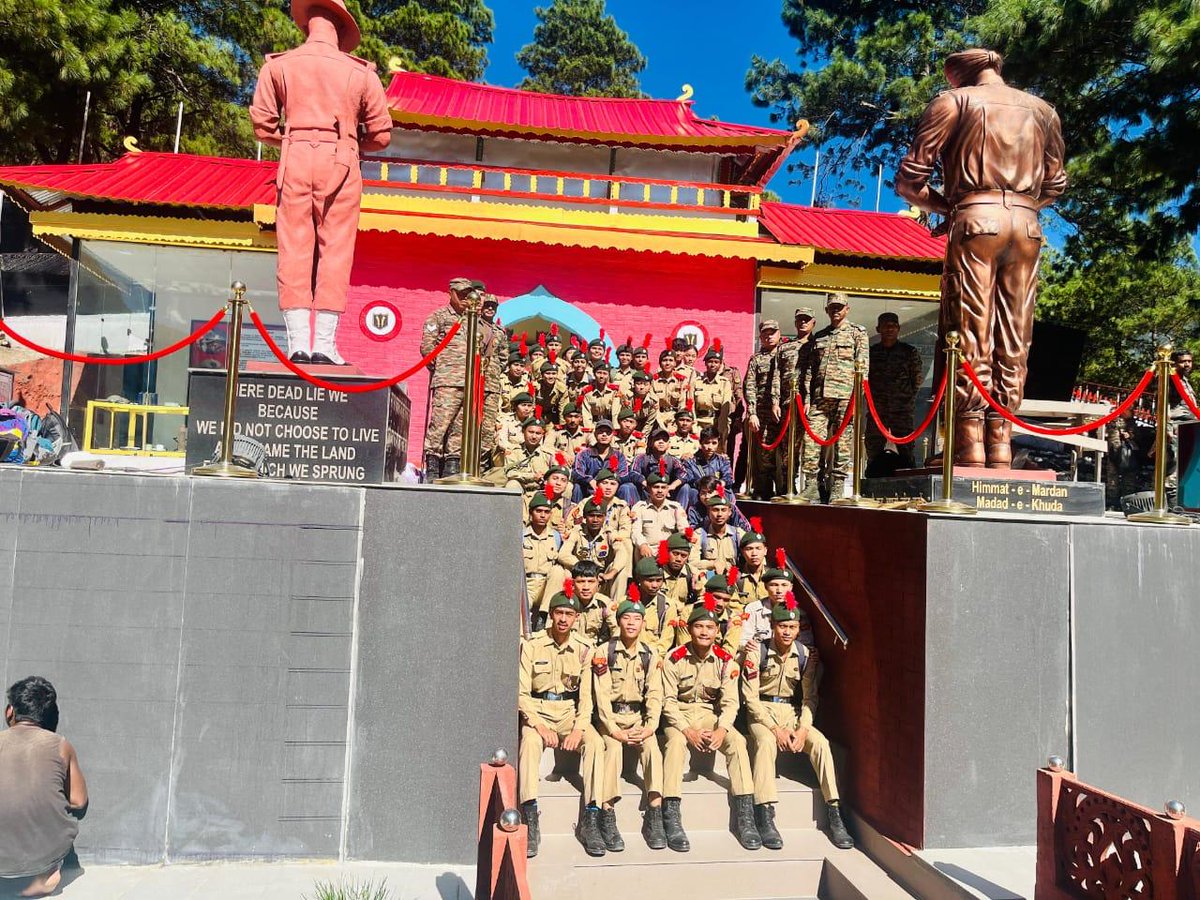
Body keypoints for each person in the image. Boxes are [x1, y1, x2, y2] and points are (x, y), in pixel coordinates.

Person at [897, 48, 1067, 467]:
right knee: (1015, 334)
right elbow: (1056, 182)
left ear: (961, 78)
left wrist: (946, 206)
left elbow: (910, 180)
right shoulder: (1043, 110)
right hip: (1027, 226)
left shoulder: (953, 103)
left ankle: (969, 443)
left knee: (969, 327)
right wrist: (1024, 205)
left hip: (975, 219)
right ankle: (1002, 442)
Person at [250, 0, 392, 365]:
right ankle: (325, 346)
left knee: (294, 247)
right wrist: (346, 142)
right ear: (342, 30)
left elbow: (263, 126)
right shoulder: (362, 73)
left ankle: (297, 343)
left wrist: (294, 140)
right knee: (336, 250)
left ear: (306, 25)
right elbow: (381, 135)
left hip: (295, 155)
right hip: (342, 158)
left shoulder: (278, 67)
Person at [740, 594, 855, 850]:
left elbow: (809, 698)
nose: (788, 632)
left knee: (821, 743)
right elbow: (750, 697)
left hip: (793, 713)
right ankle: (765, 812)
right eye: (783, 626)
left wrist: (803, 729)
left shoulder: (805, 655)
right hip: (763, 713)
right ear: (773, 627)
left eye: (792, 627)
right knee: (767, 742)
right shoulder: (757, 651)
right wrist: (774, 728)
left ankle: (834, 812)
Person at [660, 596, 761, 852]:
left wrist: (722, 729)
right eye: (699, 627)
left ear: (717, 632)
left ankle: (745, 814)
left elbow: (730, 703)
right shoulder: (675, 658)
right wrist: (687, 730)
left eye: (710, 628)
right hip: (680, 716)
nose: (704, 632)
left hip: (708, 713)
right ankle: (671, 812)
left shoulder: (726, 661)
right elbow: (668, 702)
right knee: (675, 742)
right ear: (690, 629)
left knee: (737, 741)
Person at [518, 590, 607, 858]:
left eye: (569, 614)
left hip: (569, 713)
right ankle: (530, 816)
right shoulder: (533, 645)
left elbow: (585, 697)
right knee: (531, 742)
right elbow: (521, 694)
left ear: (576, 618)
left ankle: (591, 819)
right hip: (539, 710)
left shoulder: (584, 648)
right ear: (551, 615)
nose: (563, 619)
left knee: (595, 742)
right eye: (559, 613)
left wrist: (579, 728)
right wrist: (540, 726)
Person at [1, 676, 88, 897]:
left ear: (10, 711)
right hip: (41, 862)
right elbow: (79, 801)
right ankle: (44, 878)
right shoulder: (60, 745)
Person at [592, 597, 667, 851]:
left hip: (637, 719)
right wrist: (614, 730)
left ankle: (655, 813)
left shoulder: (650, 653)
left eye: (637, 619)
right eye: (626, 618)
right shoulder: (604, 651)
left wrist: (650, 726)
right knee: (612, 750)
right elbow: (600, 696)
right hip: (610, 718)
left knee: (653, 751)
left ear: (644, 623)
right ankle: (607, 812)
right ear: (618, 620)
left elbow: (655, 693)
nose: (632, 623)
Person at [799, 294, 869, 502]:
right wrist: (807, 398)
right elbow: (810, 370)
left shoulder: (857, 333)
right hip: (821, 398)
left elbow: (863, 368)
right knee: (810, 438)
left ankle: (837, 485)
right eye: (832, 307)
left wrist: (858, 397)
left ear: (847, 309)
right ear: (827, 311)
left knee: (843, 442)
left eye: (839, 307)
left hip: (846, 398)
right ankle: (812, 483)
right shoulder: (819, 336)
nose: (835, 310)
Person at [866, 313, 924, 470]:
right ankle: (872, 480)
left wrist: (905, 398)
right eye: (886, 325)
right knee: (873, 448)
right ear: (878, 329)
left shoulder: (909, 352)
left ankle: (909, 481)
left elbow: (917, 380)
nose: (890, 329)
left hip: (901, 410)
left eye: (893, 325)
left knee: (906, 449)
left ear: (898, 328)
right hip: (877, 409)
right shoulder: (871, 353)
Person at [556, 495, 632, 605]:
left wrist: (611, 573)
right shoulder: (577, 531)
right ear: (585, 517)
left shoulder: (609, 532)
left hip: (602, 580)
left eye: (599, 516)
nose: (595, 520)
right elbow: (563, 554)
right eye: (591, 516)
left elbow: (622, 553)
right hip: (581, 579)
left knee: (621, 572)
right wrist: (584, 568)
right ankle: (566, 605)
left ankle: (615, 608)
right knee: (564, 571)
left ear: (605, 517)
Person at [745, 320, 785, 499]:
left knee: (787, 453)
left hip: (785, 410)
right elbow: (750, 386)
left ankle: (786, 490)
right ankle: (765, 490)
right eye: (765, 333)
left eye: (772, 332)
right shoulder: (756, 359)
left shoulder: (787, 354)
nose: (769, 336)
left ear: (779, 333)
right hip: (763, 412)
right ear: (760, 336)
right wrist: (752, 412)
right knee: (765, 455)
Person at [779, 307, 817, 493]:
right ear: (795, 322)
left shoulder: (819, 345)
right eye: (800, 319)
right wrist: (774, 402)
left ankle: (814, 487)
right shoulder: (785, 347)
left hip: (813, 406)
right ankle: (789, 485)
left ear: (813, 323)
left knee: (812, 447)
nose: (803, 322)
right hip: (788, 405)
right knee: (789, 449)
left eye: (807, 319)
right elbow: (776, 377)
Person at [523, 491, 562, 632]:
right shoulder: (521, 536)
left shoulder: (556, 537)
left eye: (546, 512)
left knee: (558, 571)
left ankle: (543, 616)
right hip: (528, 584)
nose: (542, 515)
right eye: (538, 511)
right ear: (531, 512)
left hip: (547, 586)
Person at [630, 469, 689, 559]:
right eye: (656, 487)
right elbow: (635, 531)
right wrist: (642, 545)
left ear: (667, 489)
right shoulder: (639, 507)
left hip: (668, 552)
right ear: (649, 489)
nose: (660, 491)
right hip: (647, 550)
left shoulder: (675, 507)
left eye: (663, 487)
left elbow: (684, 529)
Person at [694, 346, 734, 444]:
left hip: (717, 424)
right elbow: (691, 406)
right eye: (710, 361)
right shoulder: (697, 382)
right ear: (705, 363)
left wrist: (720, 431)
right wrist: (694, 427)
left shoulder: (724, 383)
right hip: (699, 424)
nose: (713, 365)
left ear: (720, 364)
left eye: (716, 362)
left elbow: (725, 409)